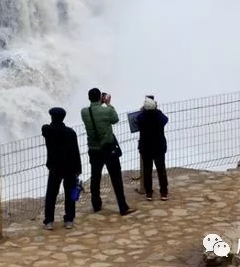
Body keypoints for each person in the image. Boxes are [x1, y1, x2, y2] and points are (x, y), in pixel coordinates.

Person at [81, 88, 136, 216]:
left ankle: (96, 205)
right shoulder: (106, 110)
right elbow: (115, 119)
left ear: (89, 98)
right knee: (116, 178)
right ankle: (123, 207)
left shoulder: (84, 112)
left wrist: (99, 103)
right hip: (108, 149)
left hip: (93, 150)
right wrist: (108, 103)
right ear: (101, 98)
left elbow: (95, 114)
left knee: (95, 177)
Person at [41, 107, 82, 230]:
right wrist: (78, 169)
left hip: (55, 167)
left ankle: (49, 221)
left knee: (51, 194)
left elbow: (45, 127)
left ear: (52, 117)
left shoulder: (48, 131)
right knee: (70, 193)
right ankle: (69, 219)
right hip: (70, 167)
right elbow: (76, 152)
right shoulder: (70, 132)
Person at [136, 96, 169, 201]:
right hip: (159, 147)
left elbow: (137, 119)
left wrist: (143, 111)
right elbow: (166, 119)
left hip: (146, 148)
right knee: (161, 170)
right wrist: (156, 110)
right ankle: (163, 193)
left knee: (147, 170)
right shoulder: (159, 116)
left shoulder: (142, 117)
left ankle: (149, 193)